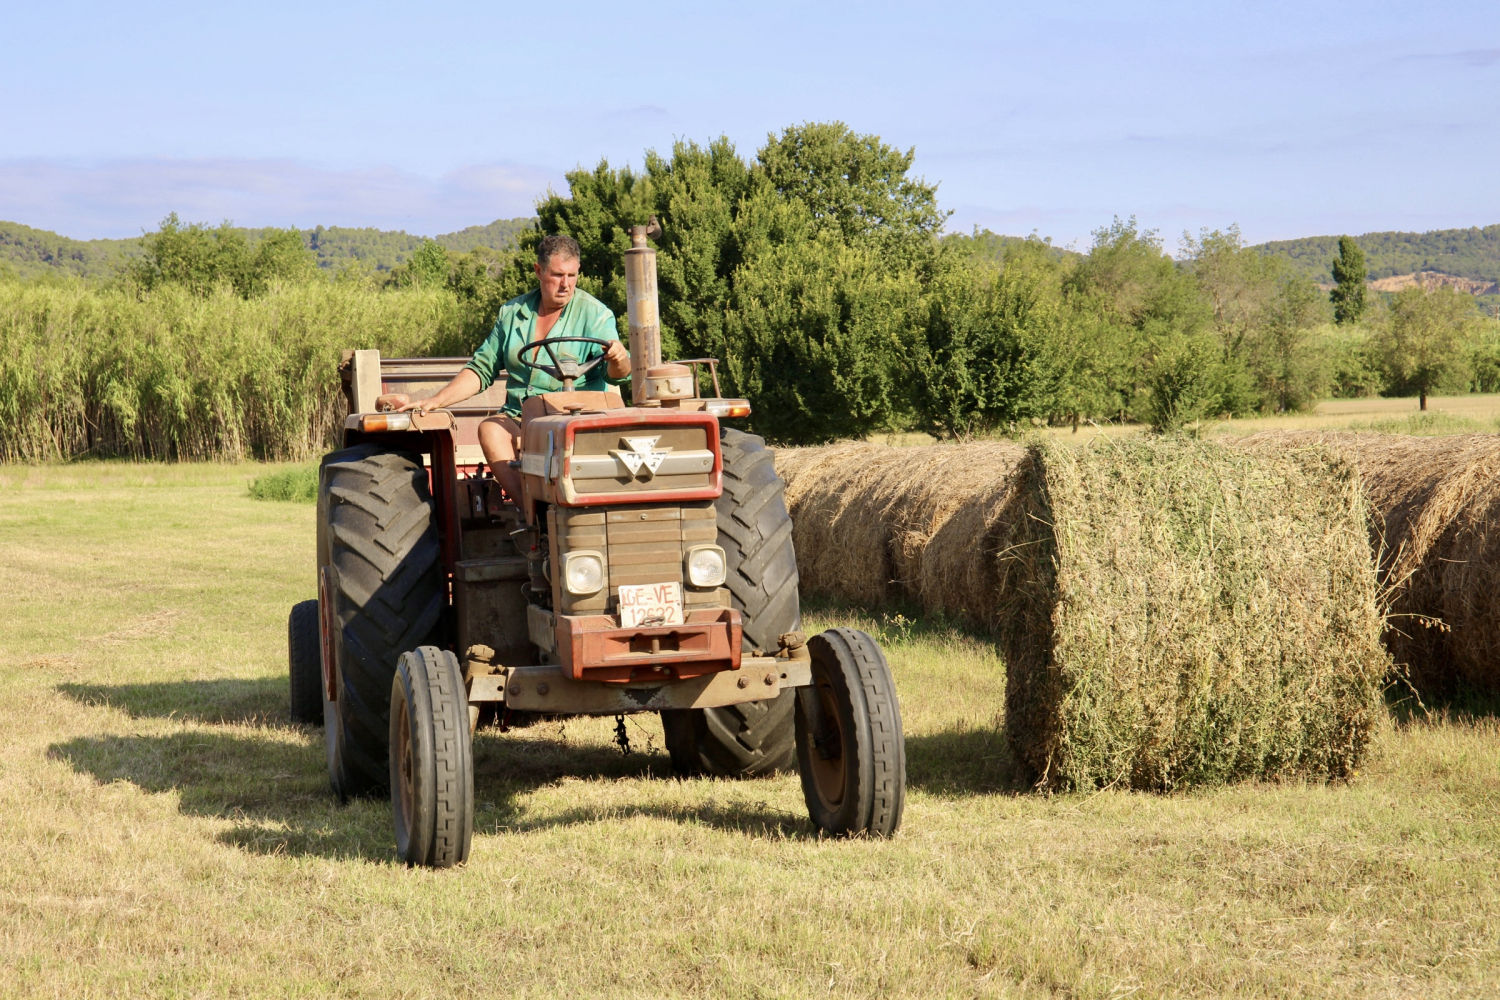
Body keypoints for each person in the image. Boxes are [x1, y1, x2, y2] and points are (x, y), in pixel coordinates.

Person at [390, 234, 630, 499]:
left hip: (578, 417)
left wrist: (619, 358)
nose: (566, 285)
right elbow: (482, 368)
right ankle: (530, 515)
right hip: (521, 417)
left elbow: (618, 374)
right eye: (557, 275)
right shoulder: (513, 313)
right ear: (538, 271)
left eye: (572, 276)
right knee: (490, 429)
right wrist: (436, 401)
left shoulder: (595, 314)